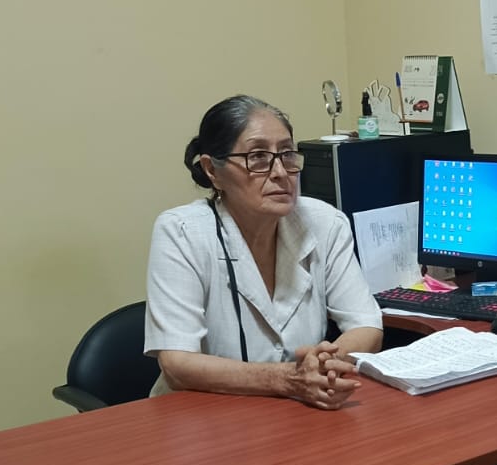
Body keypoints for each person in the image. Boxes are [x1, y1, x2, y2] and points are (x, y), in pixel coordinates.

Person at [144, 94, 383, 404]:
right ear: (212, 170)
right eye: (257, 156)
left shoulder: (326, 223)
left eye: (287, 154)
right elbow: (177, 364)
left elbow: (367, 325)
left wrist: (322, 366)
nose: (280, 172)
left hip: (298, 410)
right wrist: (288, 379)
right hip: (201, 415)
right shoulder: (182, 232)